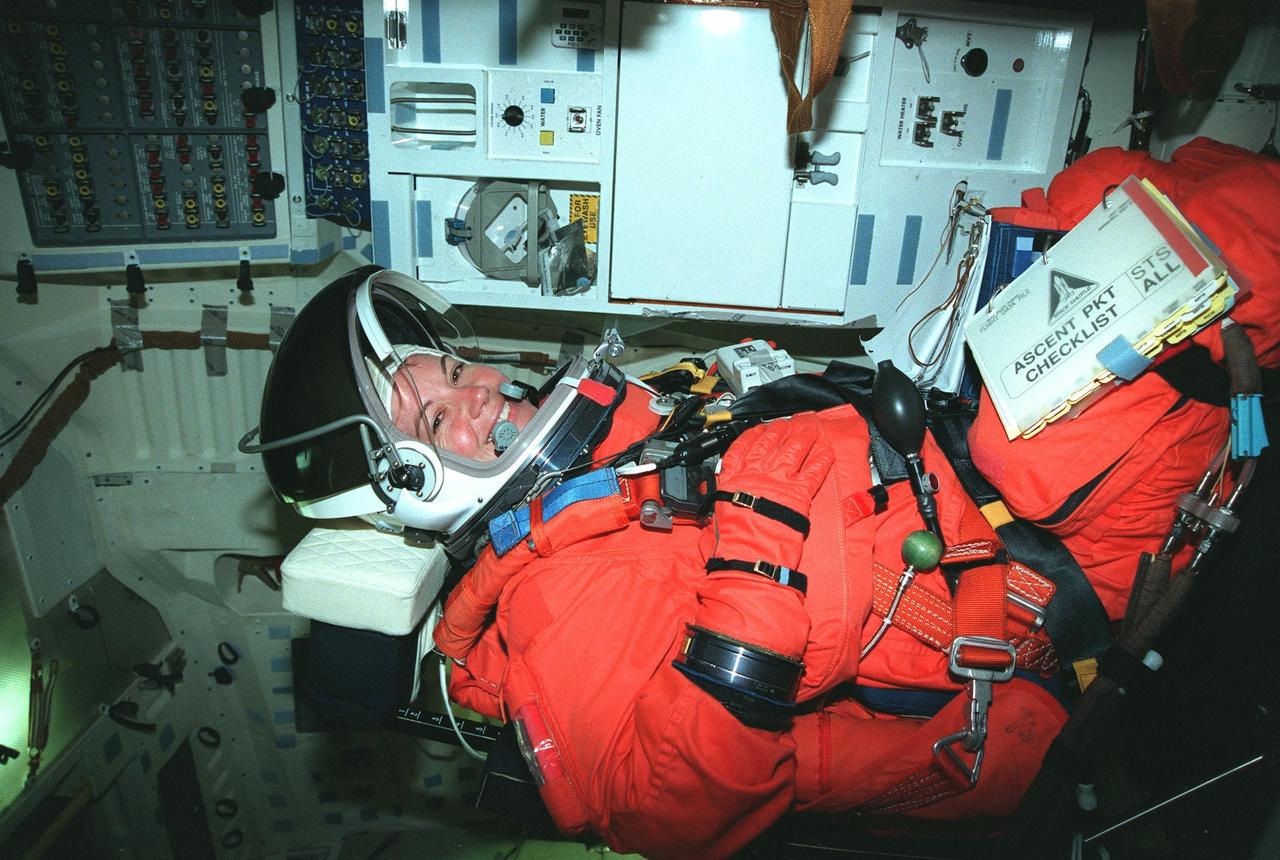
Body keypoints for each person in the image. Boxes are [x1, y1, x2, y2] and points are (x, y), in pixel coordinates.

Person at [247, 140, 1279, 858]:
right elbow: (675, 809)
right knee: (1205, 249)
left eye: (449, 367)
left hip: (969, 491)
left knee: (1092, 199)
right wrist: (764, 537)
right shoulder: (543, 607)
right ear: (419, 489)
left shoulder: (610, 453)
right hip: (1033, 595)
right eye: (437, 420)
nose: (475, 388)